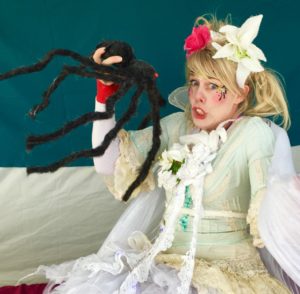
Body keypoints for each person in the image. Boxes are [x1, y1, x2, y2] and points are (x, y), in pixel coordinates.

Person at [32, 14, 299, 293]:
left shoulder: (253, 133)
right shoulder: (176, 126)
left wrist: (290, 199)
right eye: (195, 82)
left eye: (213, 86)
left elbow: (269, 207)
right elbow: (110, 165)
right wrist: (104, 101)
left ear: (241, 93)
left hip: (228, 274)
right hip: (167, 266)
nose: (198, 95)